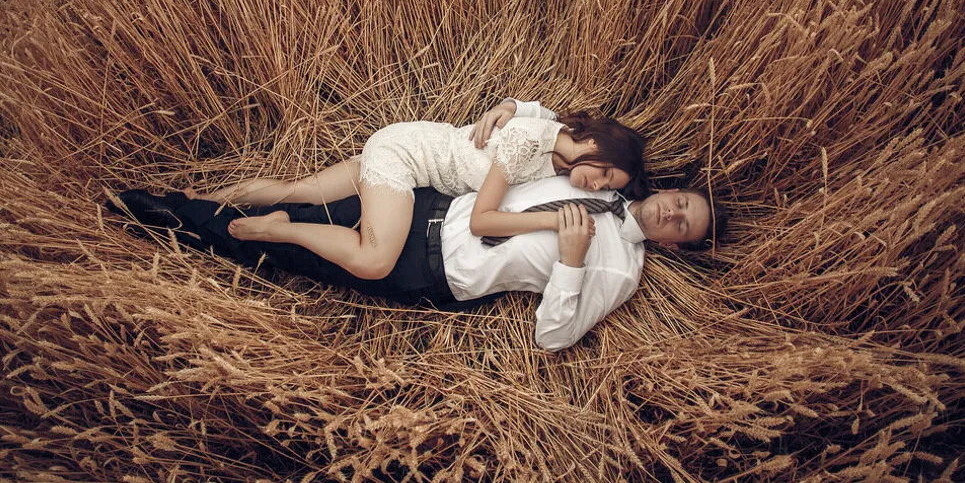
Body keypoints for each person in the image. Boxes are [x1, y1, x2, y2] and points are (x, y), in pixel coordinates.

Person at [108, 174, 728, 351]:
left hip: (429, 267)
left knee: (284, 244)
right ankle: (192, 203)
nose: (673, 215)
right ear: (667, 191)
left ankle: (156, 216)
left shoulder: (620, 270)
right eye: (679, 203)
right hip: (427, 202)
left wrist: (569, 262)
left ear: (675, 244)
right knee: (302, 197)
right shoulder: (604, 180)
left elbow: (554, 335)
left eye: (683, 225)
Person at [180, 99, 649, 284]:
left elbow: (535, 110)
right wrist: (552, 221)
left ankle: (196, 194)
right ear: (594, 144)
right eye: (606, 174)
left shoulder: (555, 135)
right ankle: (280, 231)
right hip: (406, 159)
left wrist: (509, 103)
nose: (600, 186)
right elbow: (482, 221)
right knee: (373, 260)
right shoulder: (530, 141)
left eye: (610, 187)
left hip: (410, 140)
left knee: (292, 188)